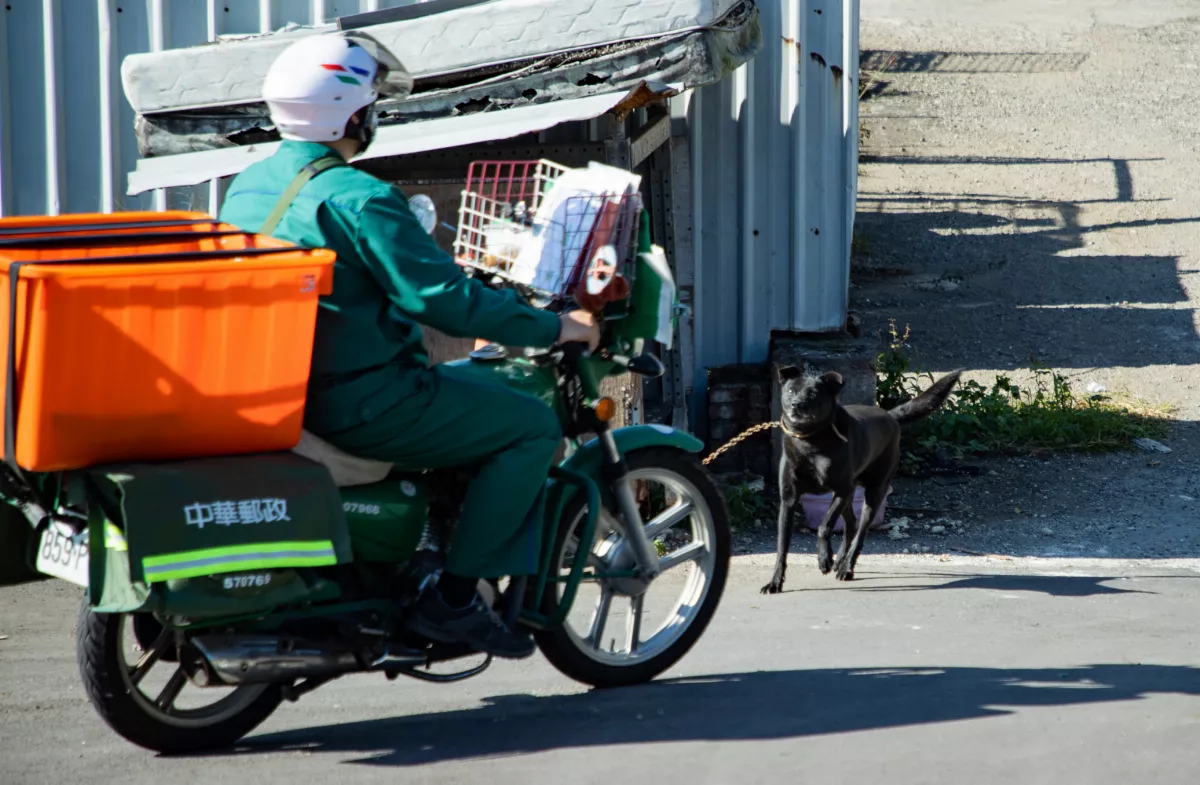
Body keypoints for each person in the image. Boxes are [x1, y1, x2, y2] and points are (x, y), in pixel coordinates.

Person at [218, 31, 600, 660]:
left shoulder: (248, 185)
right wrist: (555, 327)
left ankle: (422, 549)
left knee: (473, 402)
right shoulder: (361, 197)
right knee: (530, 425)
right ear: (355, 113)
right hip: (363, 402)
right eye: (372, 105)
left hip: (277, 390)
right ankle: (452, 599)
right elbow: (442, 301)